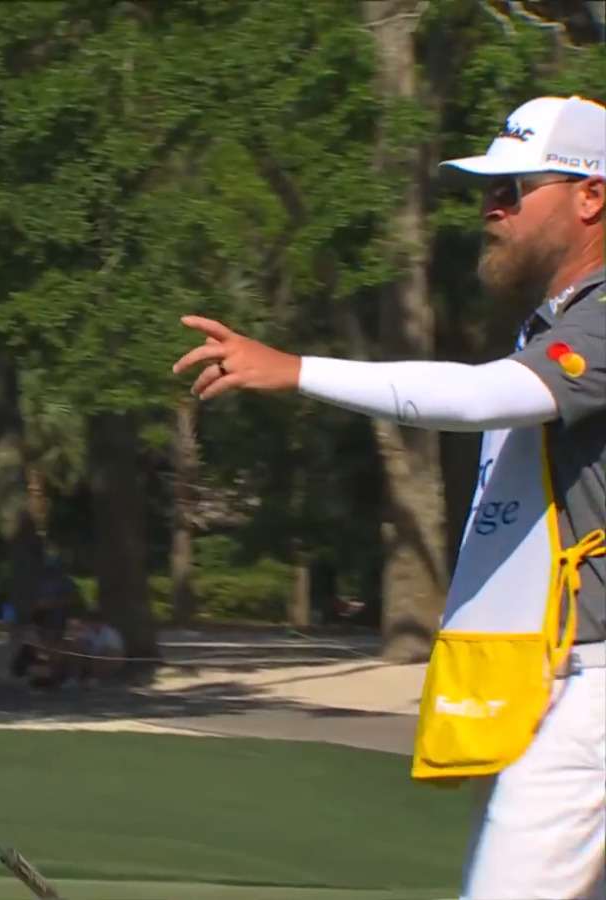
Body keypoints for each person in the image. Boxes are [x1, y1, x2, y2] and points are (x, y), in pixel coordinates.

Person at [172, 95, 605, 900]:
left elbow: (483, 400)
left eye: (516, 188)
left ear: (592, 197)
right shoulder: (562, 320)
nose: (492, 206)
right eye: (489, 189)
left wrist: (296, 369)